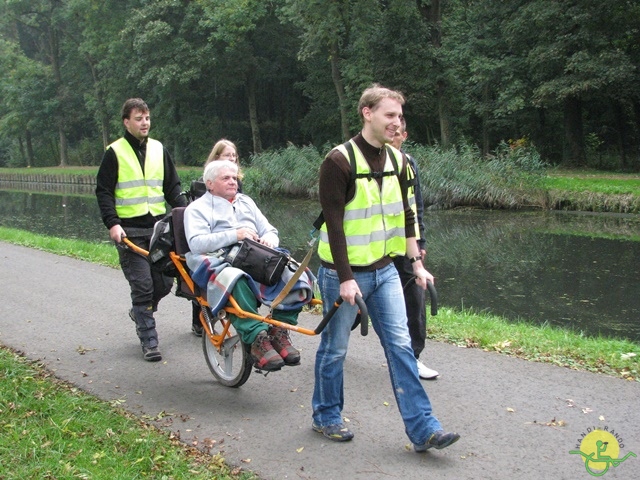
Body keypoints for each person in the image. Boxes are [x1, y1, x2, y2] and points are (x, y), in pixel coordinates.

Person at [312, 84, 459, 451]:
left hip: (386, 271)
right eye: (389, 115)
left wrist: (416, 264)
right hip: (343, 275)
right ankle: (326, 415)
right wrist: (345, 279)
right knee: (335, 350)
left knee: (400, 347)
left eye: (399, 116)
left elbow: (406, 218)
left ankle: (424, 429)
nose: (397, 123)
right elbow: (334, 224)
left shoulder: (400, 162)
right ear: (367, 113)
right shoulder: (338, 161)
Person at [183, 160, 312, 371]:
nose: (233, 182)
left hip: (254, 254)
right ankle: (256, 339)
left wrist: (269, 241)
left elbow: (269, 230)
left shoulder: (246, 202)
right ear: (210, 183)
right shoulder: (196, 209)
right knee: (236, 278)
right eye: (226, 178)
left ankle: (278, 330)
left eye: (234, 178)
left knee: (296, 273)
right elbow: (196, 243)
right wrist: (236, 235)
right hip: (218, 257)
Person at [96, 98, 188, 362]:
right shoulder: (114, 152)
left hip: (160, 230)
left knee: (163, 283)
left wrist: (186, 214)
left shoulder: (160, 149)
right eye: (138, 118)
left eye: (147, 118)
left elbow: (172, 187)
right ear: (127, 122)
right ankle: (149, 340)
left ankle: (141, 311)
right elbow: (103, 191)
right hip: (130, 231)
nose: (144, 122)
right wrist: (113, 223)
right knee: (143, 285)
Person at [390, 118, 439, 380]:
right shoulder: (367, 164)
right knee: (353, 303)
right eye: (390, 132)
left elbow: (415, 206)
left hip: (406, 246)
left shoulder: (409, 164)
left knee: (415, 300)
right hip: (373, 248)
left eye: (397, 133)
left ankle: (413, 356)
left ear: (404, 136)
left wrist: (421, 245)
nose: (393, 136)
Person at [190, 139, 243, 336]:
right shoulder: (202, 202)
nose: (232, 158)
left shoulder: (240, 194)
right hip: (217, 249)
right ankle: (202, 318)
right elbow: (199, 242)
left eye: (234, 155)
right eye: (227, 155)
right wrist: (235, 235)